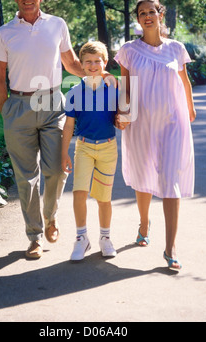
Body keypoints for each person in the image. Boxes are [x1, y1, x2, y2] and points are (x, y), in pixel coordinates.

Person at [0, 0, 86, 259]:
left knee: (57, 168)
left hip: (51, 104)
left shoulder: (57, 25)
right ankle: (33, 236)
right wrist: (6, 110)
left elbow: (70, 62)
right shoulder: (5, 32)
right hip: (19, 106)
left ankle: (51, 217)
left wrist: (97, 76)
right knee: (26, 177)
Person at [114, 0, 196, 271]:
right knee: (143, 174)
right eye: (142, 13)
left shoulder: (176, 49)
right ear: (138, 19)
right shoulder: (128, 50)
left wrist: (190, 110)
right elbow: (125, 87)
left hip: (172, 122)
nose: (147, 16)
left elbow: (184, 82)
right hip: (140, 122)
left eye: (152, 11)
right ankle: (144, 222)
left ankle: (171, 247)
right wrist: (122, 114)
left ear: (160, 15)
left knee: (170, 179)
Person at [61, 41, 128, 261]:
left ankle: (105, 238)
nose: (92, 65)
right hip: (84, 147)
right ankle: (81, 238)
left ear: (105, 63)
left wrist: (122, 120)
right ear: (81, 64)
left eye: (97, 61)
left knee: (103, 197)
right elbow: (69, 125)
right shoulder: (74, 91)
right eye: (87, 61)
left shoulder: (114, 87)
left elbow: (122, 114)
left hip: (108, 148)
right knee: (79, 193)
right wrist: (64, 154)